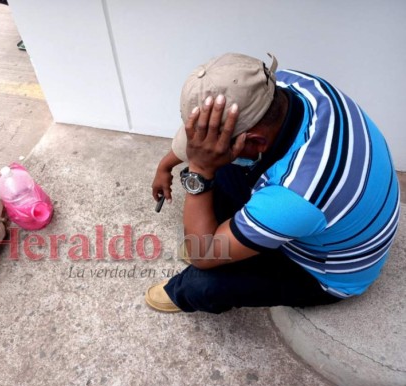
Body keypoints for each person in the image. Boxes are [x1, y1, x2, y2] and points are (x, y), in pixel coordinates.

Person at [145, 53, 400, 313]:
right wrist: (166, 164)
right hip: (333, 213)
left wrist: (199, 172)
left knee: (204, 282)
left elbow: (202, 254)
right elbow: (206, 147)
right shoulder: (291, 85)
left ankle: (181, 292)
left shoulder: (295, 196)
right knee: (217, 165)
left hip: (323, 271)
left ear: (255, 141)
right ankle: (226, 224)